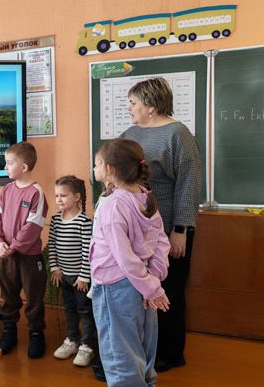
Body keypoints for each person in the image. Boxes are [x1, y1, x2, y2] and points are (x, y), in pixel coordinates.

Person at [121, 77, 202, 372]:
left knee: (170, 291)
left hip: (169, 230)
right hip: (138, 230)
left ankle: (171, 353)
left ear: (151, 106)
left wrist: (180, 230)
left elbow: (189, 185)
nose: (128, 108)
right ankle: (146, 348)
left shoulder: (178, 134)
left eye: (133, 103)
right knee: (143, 289)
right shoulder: (130, 133)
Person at [90, 139, 171, 386]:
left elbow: (123, 257)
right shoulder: (145, 197)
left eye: (97, 164)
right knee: (143, 350)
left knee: (120, 357)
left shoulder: (112, 205)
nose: (94, 169)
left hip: (117, 287)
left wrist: (151, 287)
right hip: (143, 284)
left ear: (110, 169)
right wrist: (152, 281)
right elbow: (162, 243)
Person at [0, 141, 49, 358]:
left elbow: (33, 226)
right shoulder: (6, 190)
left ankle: (36, 333)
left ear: (24, 167)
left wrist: (13, 247)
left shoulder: (36, 193)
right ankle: (9, 331)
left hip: (29, 258)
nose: (5, 167)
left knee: (34, 298)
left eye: (9, 163)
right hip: (5, 254)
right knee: (8, 296)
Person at [47, 175, 96, 367]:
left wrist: (84, 276)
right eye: (56, 195)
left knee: (84, 310)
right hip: (63, 276)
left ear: (76, 197)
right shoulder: (55, 220)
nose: (58, 199)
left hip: (80, 279)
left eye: (63, 195)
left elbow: (88, 252)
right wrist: (55, 268)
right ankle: (72, 341)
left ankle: (87, 346)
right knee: (69, 309)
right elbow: (52, 245)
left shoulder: (84, 222)